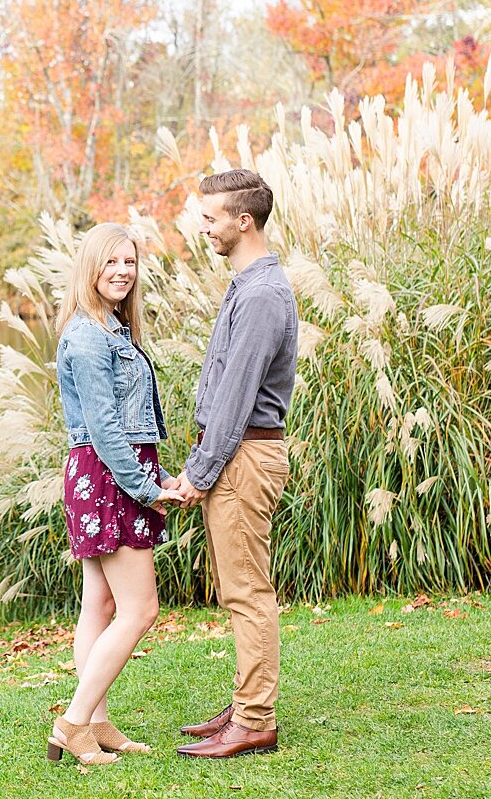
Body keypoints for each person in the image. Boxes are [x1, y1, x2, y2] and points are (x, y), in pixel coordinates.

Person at [171, 169, 298, 759]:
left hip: (246, 455)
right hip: (238, 453)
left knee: (248, 592)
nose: (204, 228)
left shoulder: (264, 295)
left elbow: (236, 396)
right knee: (238, 588)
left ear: (242, 221)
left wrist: (200, 471)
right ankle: (247, 699)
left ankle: (254, 719)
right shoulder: (248, 284)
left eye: (211, 217)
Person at [48, 222, 185, 766]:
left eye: (129, 262)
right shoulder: (87, 337)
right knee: (140, 607)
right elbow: (106, 430)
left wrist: (159, 473)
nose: (122, 272)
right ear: (90, 267)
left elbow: (128, 423)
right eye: (111, 262)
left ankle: (97, 722)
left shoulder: (115, 331)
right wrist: (147, 488)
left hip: (114, 472)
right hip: (109, 477)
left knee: (100, 604)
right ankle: (74, 723)